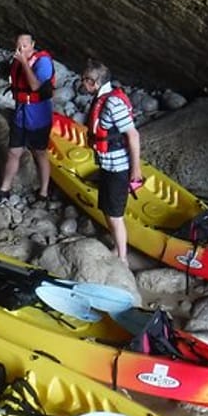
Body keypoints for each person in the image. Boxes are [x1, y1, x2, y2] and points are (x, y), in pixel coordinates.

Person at [80, 59, 142, 264]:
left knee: (115, 215)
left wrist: (136, 169)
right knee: (107, 209)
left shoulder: (112, 103)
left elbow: (133, 135)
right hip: (107, 165)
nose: (82, 84)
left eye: (84, 80)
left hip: (118, 167)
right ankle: (117, 247)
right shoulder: (102, 98)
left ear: (93, 82)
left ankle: (122, 257)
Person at [0, 32, 54, 201]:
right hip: (21, 114)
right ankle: (4, 187)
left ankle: (43, 191)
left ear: (33, 44)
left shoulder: (43, 62)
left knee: (40, 153)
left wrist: (24, 63)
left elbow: (35, 86)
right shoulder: (17, 61)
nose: (21, 50)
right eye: (18, 46)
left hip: (39, 117)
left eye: (25, 46)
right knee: (14, 152)